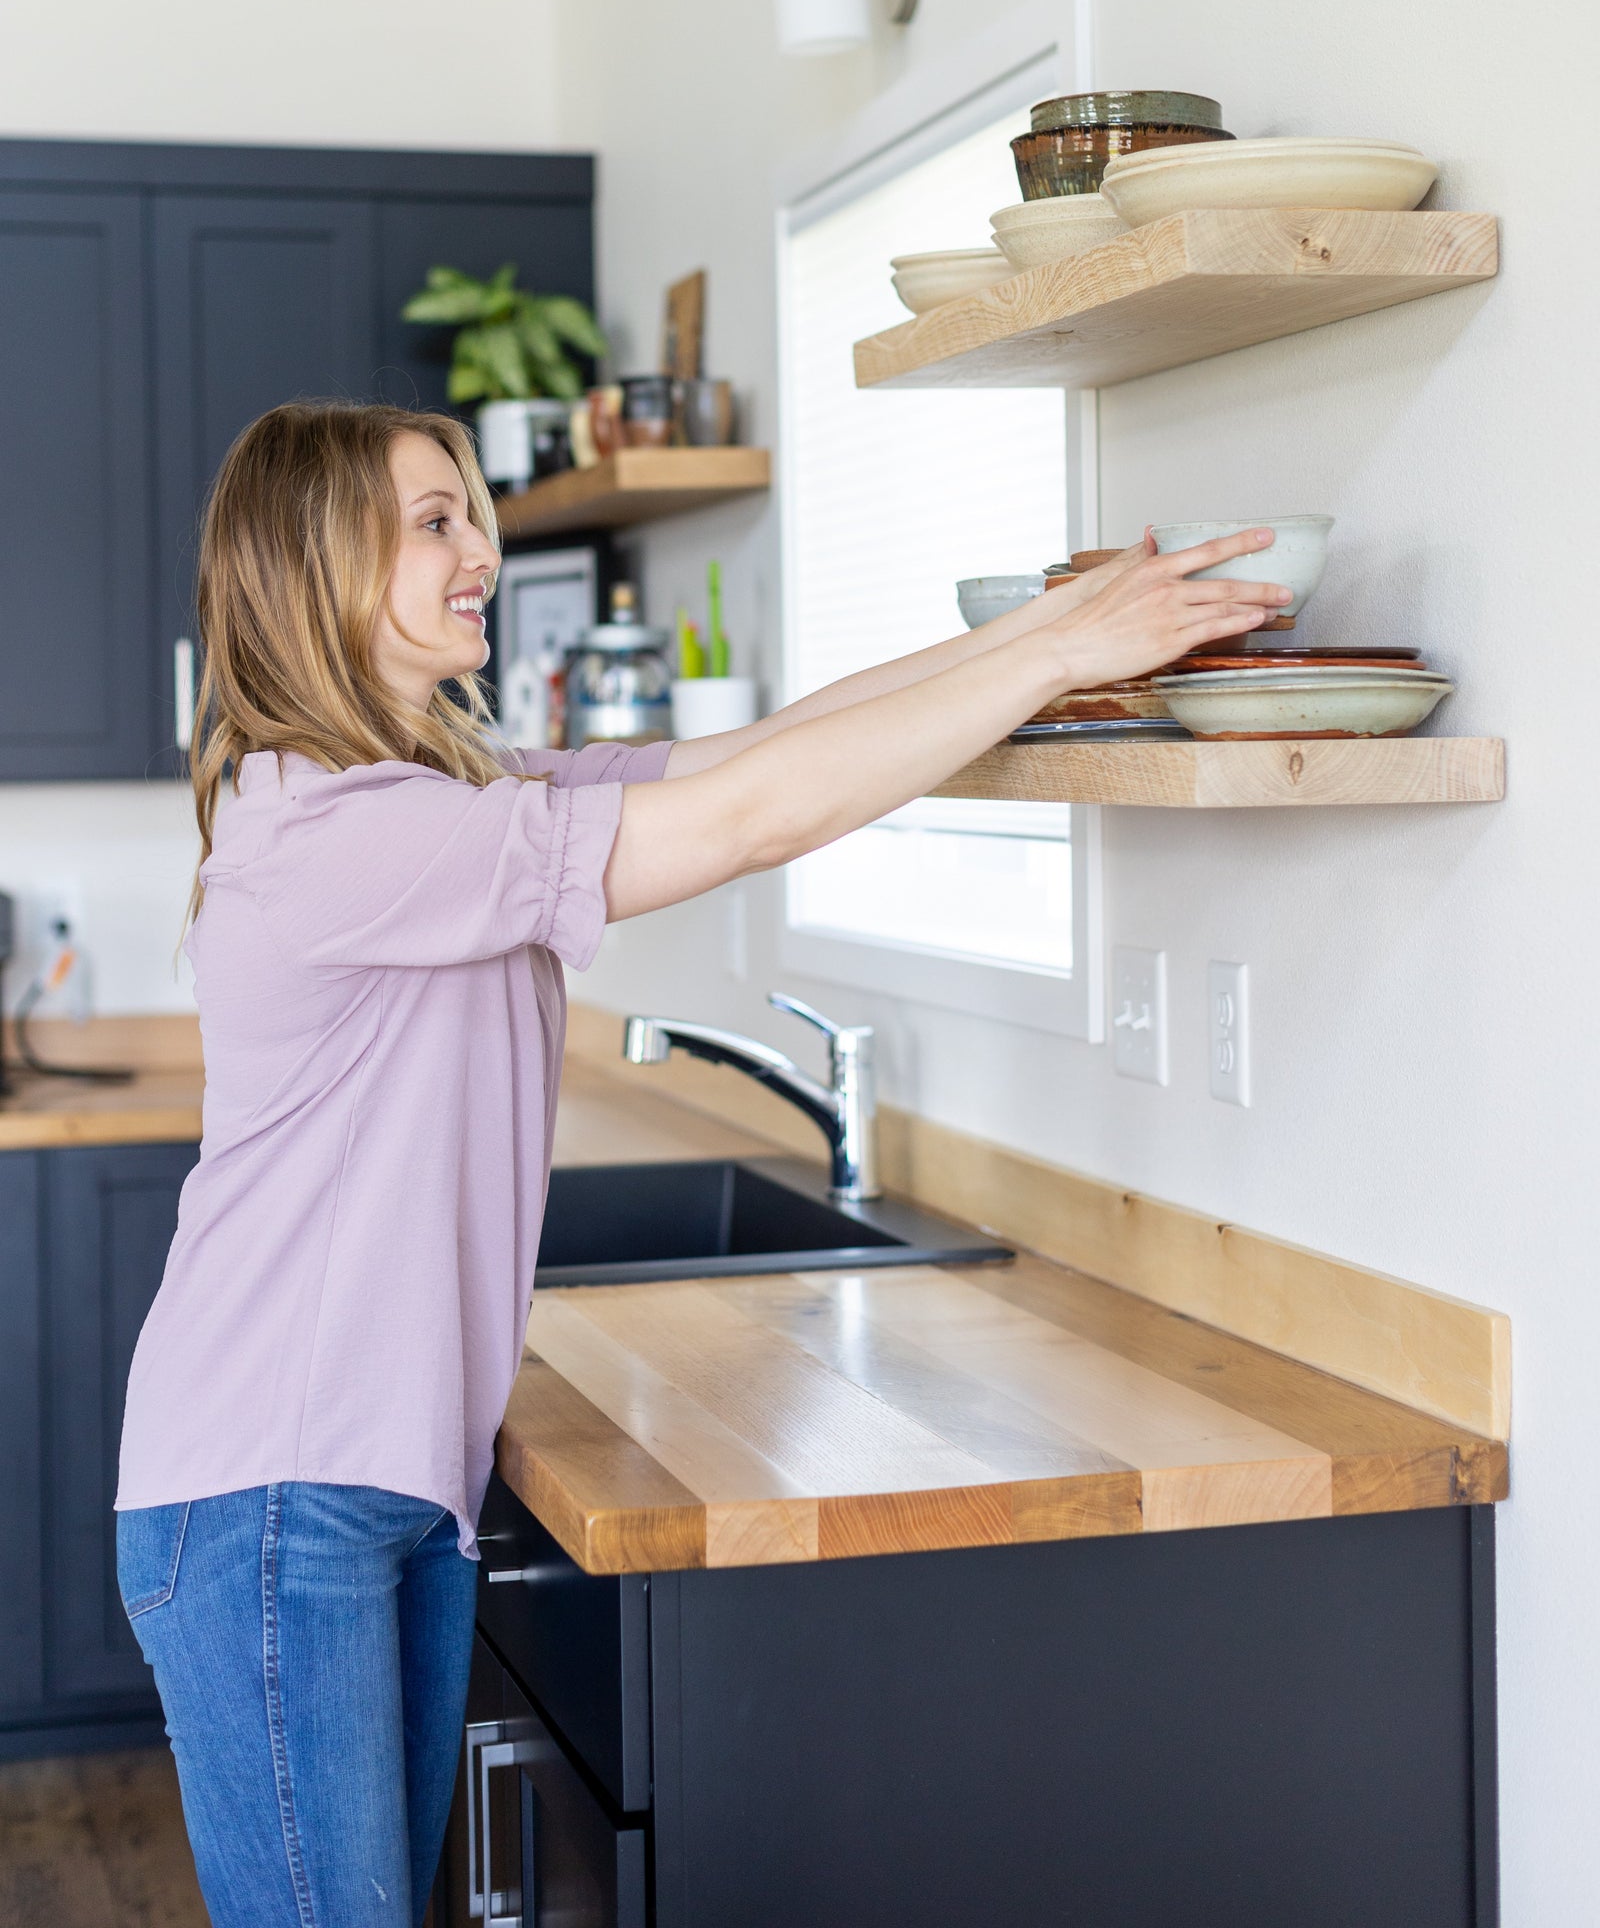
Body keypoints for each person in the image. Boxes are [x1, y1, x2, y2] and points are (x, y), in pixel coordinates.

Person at [114, 400, 1289, 1928]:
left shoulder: (452, 797)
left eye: (473, 512)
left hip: (368, 1478)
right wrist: (1056, 659)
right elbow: (737, 825)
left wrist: (1055, 629)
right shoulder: (335, 831)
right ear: (314, 568)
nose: (483, 551)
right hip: (276, 1488)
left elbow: (758, 755)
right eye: (438, 522)